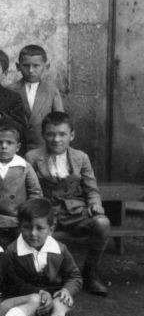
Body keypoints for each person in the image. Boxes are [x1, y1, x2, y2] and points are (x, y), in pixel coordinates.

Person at [25, 112, 110, 296]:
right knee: (36, 230)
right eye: (50, 134)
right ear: (43, 135)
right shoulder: (32, 157)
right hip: (46, 211)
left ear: (72, 135)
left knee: (102, 223)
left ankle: (90, 273)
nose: (56, 139)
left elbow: (91, 188)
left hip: (74, 212)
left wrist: (95, 204)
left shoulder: (81, 157)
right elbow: (30, 188)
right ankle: (45, 278)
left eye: (62, 134)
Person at [6, 198, 88, 316]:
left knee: (63, 303)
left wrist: (67, 291)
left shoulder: (60, 250)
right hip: (30, 297)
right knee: (30, 313)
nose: (33, 233)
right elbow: (12, 282)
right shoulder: (12, 252)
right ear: (20, 227)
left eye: (39, 228)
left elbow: (74, 276)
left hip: (55, 296)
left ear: (51, 228)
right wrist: (38, 295)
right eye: (27, 227)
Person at [0, 123, 42, 247]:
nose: (4, 146)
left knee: (21, 246)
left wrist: (27, 216)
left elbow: (35, 193)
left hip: (17, 218)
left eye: (9, 143)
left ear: (18, 147)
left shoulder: (24, 166)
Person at [9, 45, 64, 152]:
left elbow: (60, 120)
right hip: (16, 146)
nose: (30, 70)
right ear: (18, 66)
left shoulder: (51, 90)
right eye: (26, 65)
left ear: (46, 67)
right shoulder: (11, 90)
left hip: (42, 146)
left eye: (36, 66)